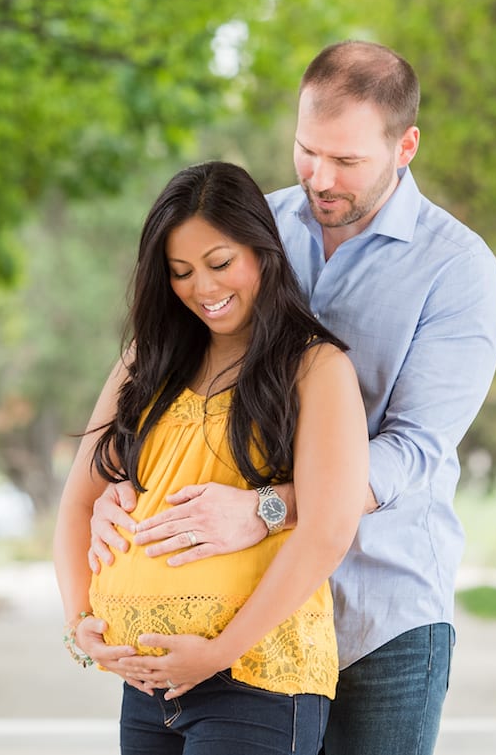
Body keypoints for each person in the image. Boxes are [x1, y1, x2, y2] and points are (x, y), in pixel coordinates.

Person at [85, 41, 496, 755]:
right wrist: (124, 483)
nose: (320, 176)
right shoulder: (256, 229)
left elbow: (411, 449)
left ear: (406, 145)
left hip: (383, 613)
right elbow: (184, 370)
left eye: (347, 160)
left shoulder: (458, 271)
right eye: (308, 150)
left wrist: (267, 507)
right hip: (249, 616)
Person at [53, 160, 370, 755]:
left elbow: (328, 530)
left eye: (220, 263)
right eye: (180, 272)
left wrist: (217, 655)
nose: (203, 288)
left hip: (256, 684)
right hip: (147, 688)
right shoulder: (144, 363)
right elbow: (78, 504)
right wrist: (81, 626)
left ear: (262, 250)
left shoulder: (316, 369)